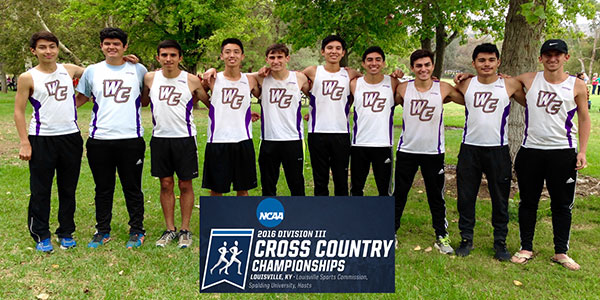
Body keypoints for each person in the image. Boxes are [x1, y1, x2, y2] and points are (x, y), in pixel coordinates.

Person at [508, 39, 590, 270]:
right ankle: (526, 247)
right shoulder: (528, 79)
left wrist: (582, 150)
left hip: (562, 152)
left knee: (562, 204)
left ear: (566, 57)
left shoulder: (577, 85)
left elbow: (584, 118)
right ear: (540, 58)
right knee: (528, 202)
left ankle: (561, 252)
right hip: (531, 151)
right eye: (548, 55)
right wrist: (463, 79)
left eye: (558, 54)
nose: (552, 59)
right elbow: (497, 80)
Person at [453, 43, 526, 261]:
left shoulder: (510, 84)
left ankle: (500, 242)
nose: (487, 64)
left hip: (498, 149)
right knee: (466, 197)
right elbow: (441, 91)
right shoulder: (465, 84)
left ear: (498, 62)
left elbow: (532, 98)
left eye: (491, 60)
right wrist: (461, 76)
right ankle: (466, 238)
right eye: (482, 60)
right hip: (470, 149)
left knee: (500, 198)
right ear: (474, 63)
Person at [76, 27, 148, 249]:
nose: (112, 47)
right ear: (101, 46)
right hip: (100, 139)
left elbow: (145, 100)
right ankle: (102, 231)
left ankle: (137, 230)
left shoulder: (139, 69)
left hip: (131, 139)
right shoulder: (92, 71)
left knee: (132, 187)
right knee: (103, 187)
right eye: (107, 43)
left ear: (125, 46)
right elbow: (80, 98)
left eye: (117, 43)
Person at [14, 31, 84, 252]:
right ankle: (41, 234)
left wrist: (126, 60)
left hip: (70, 137)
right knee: (41, 189)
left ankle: (66, 232)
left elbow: (99, 72)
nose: (48, 51)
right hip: (41, 138)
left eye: (52, 46)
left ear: (57, 48)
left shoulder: (69, 70)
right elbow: (18, 111)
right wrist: (25, 142)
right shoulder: (28, 77)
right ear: (34, 51)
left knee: (68, 188)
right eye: (42, 47)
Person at [394, 49, 464, 254]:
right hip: (407, 149)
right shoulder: (403, 88)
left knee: (436, 196)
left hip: (433, 151)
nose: (423, 69)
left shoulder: (443, 88)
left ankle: (441, 236)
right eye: (418, 66)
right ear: (412, 68)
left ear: (432, 66)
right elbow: (387, 99)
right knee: (399, 193)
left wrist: (465, 79)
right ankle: (391, 232)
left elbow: (470, 98)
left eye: (427, 65)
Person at [141, 40, 208, 248]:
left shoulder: (191, 80)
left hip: (185, 139)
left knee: (185, 184)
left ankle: (185, 229)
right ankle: (170, 229)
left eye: (172, 55)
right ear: (158, 57)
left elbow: (211, 104)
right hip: (160, 138)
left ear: (180, 57)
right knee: (165, 184)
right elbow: (144, 102)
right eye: (164, 55)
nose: (168, 59)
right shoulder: (150, 78)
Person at [302, 35, 362, 196]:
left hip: (341, 133)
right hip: (317, 133)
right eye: (329, 48)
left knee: (341, 178)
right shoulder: (313, 71)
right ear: (323, 51)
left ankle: (340, 216)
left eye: (338, 48)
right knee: (320, 179)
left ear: (343, 53)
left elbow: (372, 83)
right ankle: (322, 215)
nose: (333, 51)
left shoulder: (350, 74)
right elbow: (291, 80)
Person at [201, 38, 260, 196]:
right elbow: (197, 95)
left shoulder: (250, 80)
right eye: (227, 52)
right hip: (218, 140)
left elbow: (266, 88)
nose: (231, 55)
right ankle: (217, 220)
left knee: (243, 188)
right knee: (216, 189)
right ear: (221, 56)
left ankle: (242, 220)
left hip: (243, 140)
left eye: (236, 52)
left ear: (242, 56)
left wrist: (246, 114)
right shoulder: (212, 79)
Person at [255, 44, 309, 196]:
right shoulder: (261, 78)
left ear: (287, 58)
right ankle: (269, 218)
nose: (276, 61)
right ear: (266, 59)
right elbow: (237, 77)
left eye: (280, 57)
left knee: (296, 183)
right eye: (272, 57)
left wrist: (315, 113)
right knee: (268, 184)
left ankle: (299, 217)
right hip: (269, 139)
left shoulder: (299, 78)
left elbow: (317, 96)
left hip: (293, 139)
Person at [349, 46, 399, 196]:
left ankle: (383, 219)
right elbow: (338, 104)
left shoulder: (393, 82)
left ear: (383, 63)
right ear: (363, 63)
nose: (374, 63)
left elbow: (417, 88)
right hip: (359, 144)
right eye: (369, 60)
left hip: (383, 143)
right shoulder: (354, 84)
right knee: (356, 189)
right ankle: (356, 218)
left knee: (384, 190)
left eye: (378, 60)